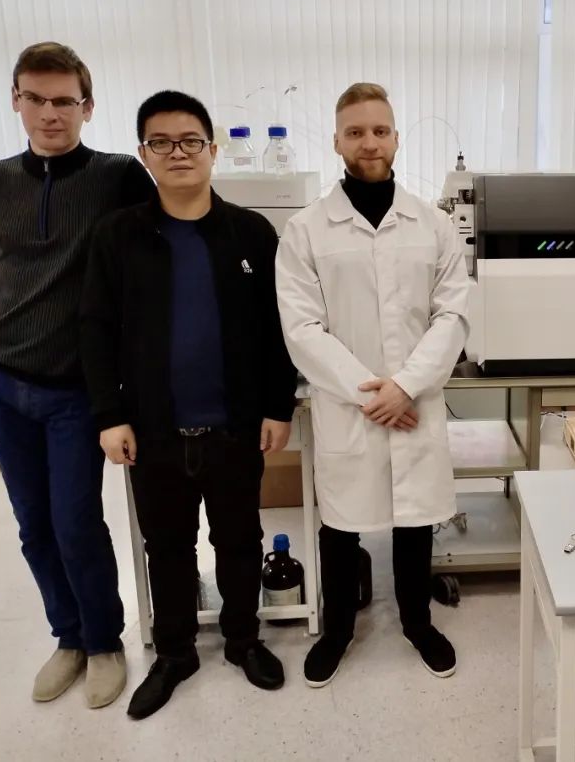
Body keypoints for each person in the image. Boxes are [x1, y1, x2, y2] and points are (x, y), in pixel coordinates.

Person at [80, 90, 297, 719]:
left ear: (212, 149)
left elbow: (278, 329)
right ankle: (174, 653)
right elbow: (95, 329)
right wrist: (109, 415)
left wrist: (278, 406)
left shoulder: (251, 233)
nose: (178, 153)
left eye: (190, 141)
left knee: (240, 539)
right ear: (144, 153)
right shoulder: (118, 235)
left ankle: (243, 639)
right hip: (154, 431)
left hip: (235, 427)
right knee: (167, 547)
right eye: (161, 142)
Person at [0, 41, 155, 709]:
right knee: (33, 526)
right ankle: (68, 637)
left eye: (64, 101)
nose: (50, 113)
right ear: (16, 101)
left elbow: (141, 268)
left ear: (88, 106)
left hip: (73, 388)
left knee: (75, 521)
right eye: (36, 99)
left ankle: (103, 641)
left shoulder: (117, 176)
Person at [276, 82, 470, 687]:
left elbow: (453, 314)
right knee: (340, 524)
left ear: (396, 138)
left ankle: (417, 623)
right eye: (355, 132)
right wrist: (375, 392)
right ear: (337, 141)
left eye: (380, 131)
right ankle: (337, 630)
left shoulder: (434, 225)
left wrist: (406, 387)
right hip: (349, 405)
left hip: (414, 399)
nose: (369, 142)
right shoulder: (307, 230)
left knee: (415, 521)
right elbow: (302, 327)